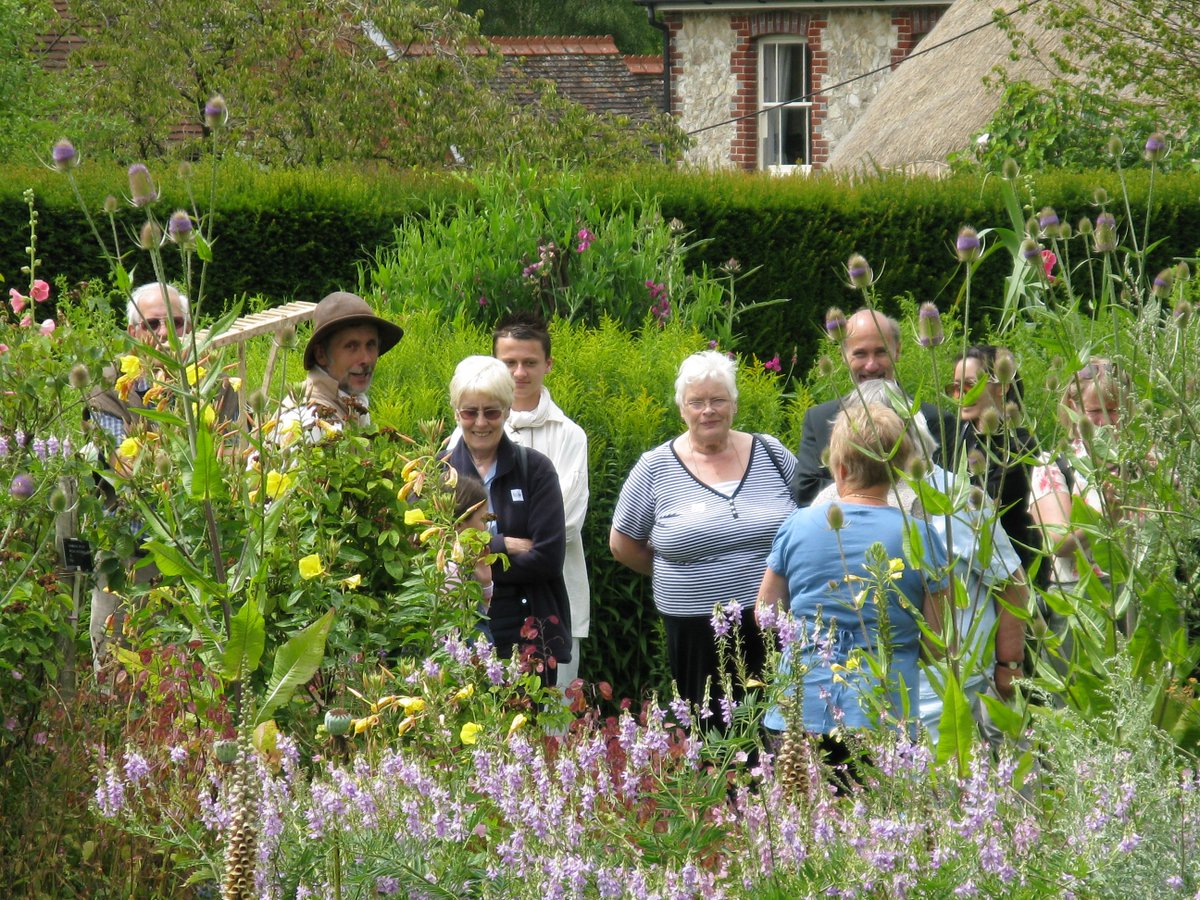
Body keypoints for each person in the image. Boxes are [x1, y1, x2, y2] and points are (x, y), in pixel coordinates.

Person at [813, 381, 1028, 746]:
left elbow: (1012, 582)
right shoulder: (831, 503)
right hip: (861, 692)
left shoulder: (954, 497)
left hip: (953, 686)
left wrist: (1009, 668)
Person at [610, 350, 797, 725]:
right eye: (696, 402)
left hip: (776, 621)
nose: (707, 410)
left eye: (718, 400)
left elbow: (810, 518)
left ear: (734, 405)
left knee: (783, 726)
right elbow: (622, 544)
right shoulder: (655, 467)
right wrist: (674, 572)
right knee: (714, 730)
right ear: (682, 408)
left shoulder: (771, 452)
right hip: (697, 628)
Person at [757, 404, 950, 764]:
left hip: (799, 706)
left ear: (840, 467)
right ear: (898, 471)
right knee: (880, 814)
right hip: (885, 708)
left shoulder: (797, 525)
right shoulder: (919, 536)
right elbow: (937, 641)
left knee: (800, 814)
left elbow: (766, 613)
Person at [85, 283, 237, 665]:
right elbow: (128, 470)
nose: (166, 334)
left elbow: (235, 458)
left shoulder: (214, 385)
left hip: (200, 556)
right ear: (135, 333)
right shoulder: (110, 390)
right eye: (154, 325)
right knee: (117, 671)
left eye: (177, 323)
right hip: (131, 559)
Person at [442, 356, 570, 684]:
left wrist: (476, 558)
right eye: (470, 412)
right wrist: (504, 545)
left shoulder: (535, 470)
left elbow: (549, 559)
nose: (481, 423)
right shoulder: (436, 475)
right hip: (457, 631)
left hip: (528, 633)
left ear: (508, 410)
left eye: (492, 411)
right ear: (457, 413)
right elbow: (430, 558)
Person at [489, 313, 589, 688]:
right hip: (486, 602)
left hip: (554, 601)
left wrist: (490, 544)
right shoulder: (467, 432)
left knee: (553, 723)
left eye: (529, 362)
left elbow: (564, 526)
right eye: (509, 363)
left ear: (548, 364)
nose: (519, 373)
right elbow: (456, 522)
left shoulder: (570, 436)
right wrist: (509, 542)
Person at [794, 308, 956, 505]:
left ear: (897, 351)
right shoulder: (820, 420)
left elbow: (945, 490)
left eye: (881, 352)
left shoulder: (934, 420)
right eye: (860, 354)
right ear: (843, 356)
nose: (871, 365)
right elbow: (806, 491)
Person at [1028, 358, 1135, 645]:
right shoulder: (1052, 465)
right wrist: (1104, 517)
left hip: (1144, 595)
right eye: (1095, 411)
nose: (1106, 422)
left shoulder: (1144, 461)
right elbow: (1058, 542)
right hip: (1081, 601)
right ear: (1074, 409)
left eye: (1113, 411)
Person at [947, 345, 1039, 570]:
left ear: (1002, 386)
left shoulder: (1020, 445)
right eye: (955, 388)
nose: (960, 396)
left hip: (1009, 569)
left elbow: (990, 506)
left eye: (970, 385)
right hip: (966, 565)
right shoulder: (958, 434)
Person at [274, 291, 403, 445]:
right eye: (351, 346)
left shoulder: (351, 402)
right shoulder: (307, 421)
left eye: (371, 345)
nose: (366, 359)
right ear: (321, 354)